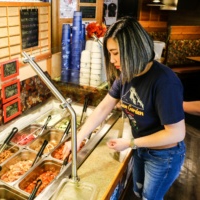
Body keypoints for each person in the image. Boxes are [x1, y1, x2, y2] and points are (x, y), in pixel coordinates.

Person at [63, 17, 186, 200]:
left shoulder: (164, 81)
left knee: (150, 197)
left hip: (163, 155)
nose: (112, 60)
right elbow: (104, 106)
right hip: (141, 147)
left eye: (115, 53)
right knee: (137, 191)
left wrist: (130, 144)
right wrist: (79, 136)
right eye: (109, 54)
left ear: (134, 48)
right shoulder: (127, 74)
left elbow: (176, 134)